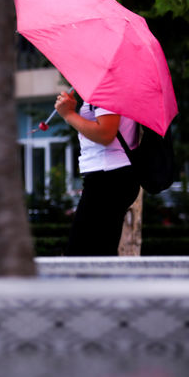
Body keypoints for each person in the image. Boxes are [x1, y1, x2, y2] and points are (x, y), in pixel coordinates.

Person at [54, 90, 140, 255]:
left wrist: (68, 115)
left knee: (81, 255)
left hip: (108, 177)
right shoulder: (108, 85)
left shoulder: (106, 86)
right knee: (100, 251)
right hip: (111, 176)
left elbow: (106, 133)